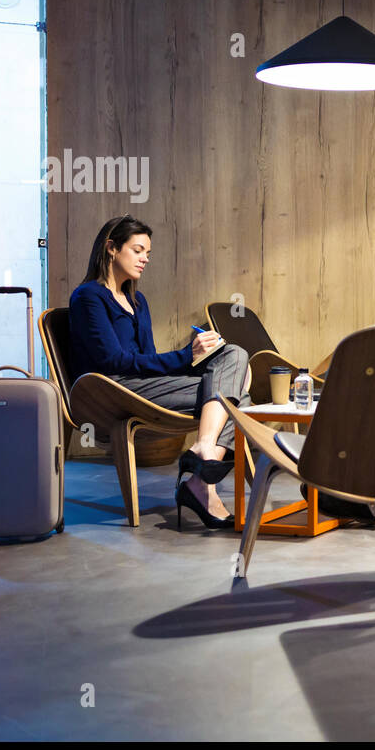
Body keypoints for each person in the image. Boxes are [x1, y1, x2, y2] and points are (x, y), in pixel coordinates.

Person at [69, 215, 250, 530]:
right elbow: (113, 360)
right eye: (138, 250)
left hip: (143, 386)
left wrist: (197, 357)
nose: (144, 259)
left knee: (234, 354)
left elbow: (148, 358)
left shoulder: (138, 302)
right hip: (113, 390)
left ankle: (203, 453)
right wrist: (185, 356)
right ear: (111, 248)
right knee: (238, 398)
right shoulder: (89, 298)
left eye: (148, 254)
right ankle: (200, 485)